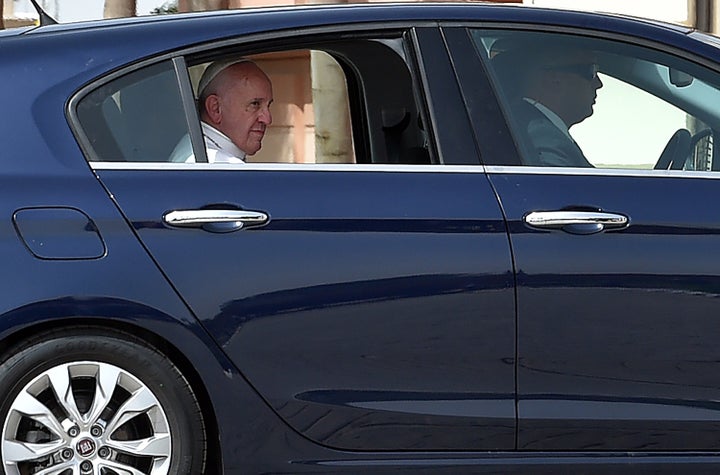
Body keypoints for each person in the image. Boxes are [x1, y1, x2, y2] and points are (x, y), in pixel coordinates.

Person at [492, 41, 602, 167]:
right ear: (554, 79)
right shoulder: (541, 138)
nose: (599, 84)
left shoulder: (523, 126)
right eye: (591, 72)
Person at [170, 58, 273, 163]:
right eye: (255, 104)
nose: (267, 119)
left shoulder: (194, 150)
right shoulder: (218, 163)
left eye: (268, 105)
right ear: (215, 109)